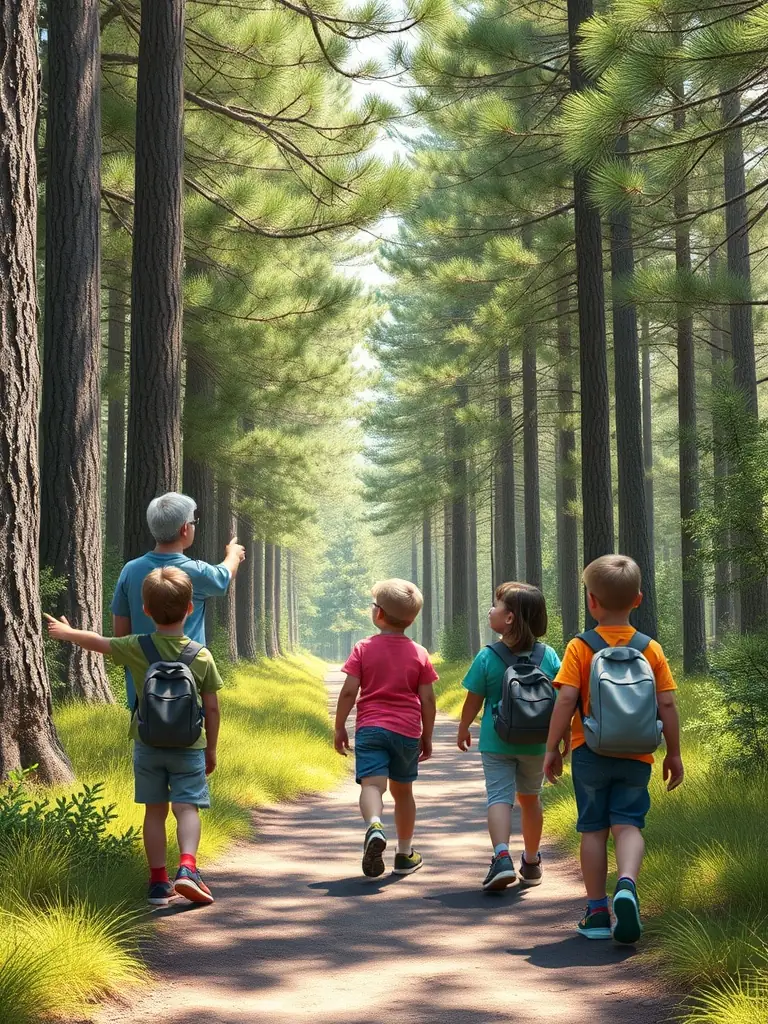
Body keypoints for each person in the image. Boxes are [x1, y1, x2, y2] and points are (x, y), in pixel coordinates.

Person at [46, 566, 223, 907]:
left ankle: (158, 883)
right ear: (190, 608)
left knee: (154, 812)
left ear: (145, 610)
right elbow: (212, 709)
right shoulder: (200, 655)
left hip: (148, 744)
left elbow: (100, 642)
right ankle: (187, 869)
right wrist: (210, 749)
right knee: (187, 809)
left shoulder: (138, 647)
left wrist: (68, 633)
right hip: (190, 746)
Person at [544, 555, 684, 943]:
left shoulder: (580, 646)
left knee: (593, 829)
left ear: (591, 601)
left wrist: (553, 747)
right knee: (628, 824)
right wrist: (673, 753)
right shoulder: (650, 648)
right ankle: (626, 883)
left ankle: (597, 913)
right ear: (638, 599)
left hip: (589, 750)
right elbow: (668, 704)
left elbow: (566, 699)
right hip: (637, 753)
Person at [457, 582, 562, 891]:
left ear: (510, 618)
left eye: (496, 606)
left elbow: (473, 699)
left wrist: (464, 727)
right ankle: (530, 861)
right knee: (531, 799)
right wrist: (559, 741)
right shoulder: (549, 656)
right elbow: (561, 700)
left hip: (496, 742)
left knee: (499, 798)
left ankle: (501, 857)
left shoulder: (488, 656)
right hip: (537, 743)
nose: (491, 610)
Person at [334, 579, 438, 878]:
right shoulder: (419, 652)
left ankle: (375, 825)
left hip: (370, 728)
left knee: (372, 786)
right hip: (406, 731)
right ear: (412, 619)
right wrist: (426, 736)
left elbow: (348, 692)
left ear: (378, 614)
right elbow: (428, 699)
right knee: (403, 792)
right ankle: (404, 854)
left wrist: (340, 726)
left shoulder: (363, 648)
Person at [112, 492, 245, 706]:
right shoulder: (196, 572)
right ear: (185, 528)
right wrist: (233, 554)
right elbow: (224, 575)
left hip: (142, 687)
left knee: (144, 735)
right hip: (188, 686)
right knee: (189, 736)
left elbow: (120, 635)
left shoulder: (130, 570)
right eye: (194, 522)